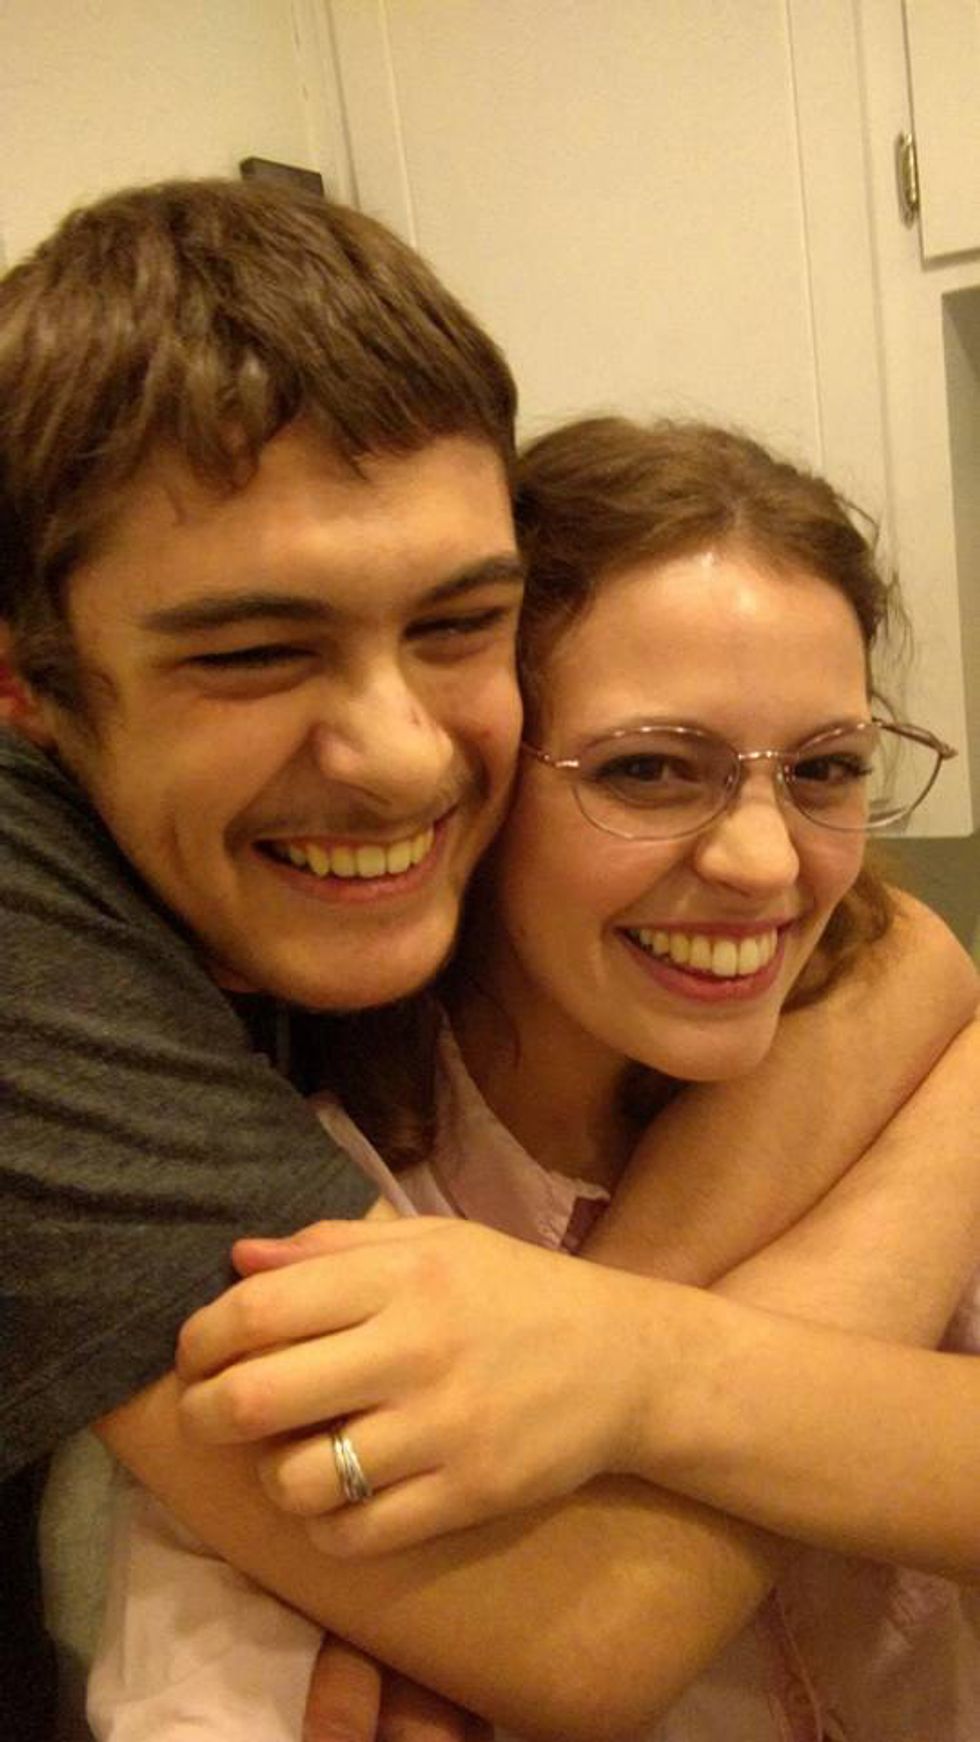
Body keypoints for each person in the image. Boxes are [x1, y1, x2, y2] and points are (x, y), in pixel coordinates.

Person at [0, 176, 975, 1739]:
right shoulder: (312, 1191)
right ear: (28, 686)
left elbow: (901, 944)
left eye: (457, 627)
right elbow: (552, 1627)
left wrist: (618, 1347)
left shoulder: (867, 1029)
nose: (403, 755)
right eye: (646, 766)